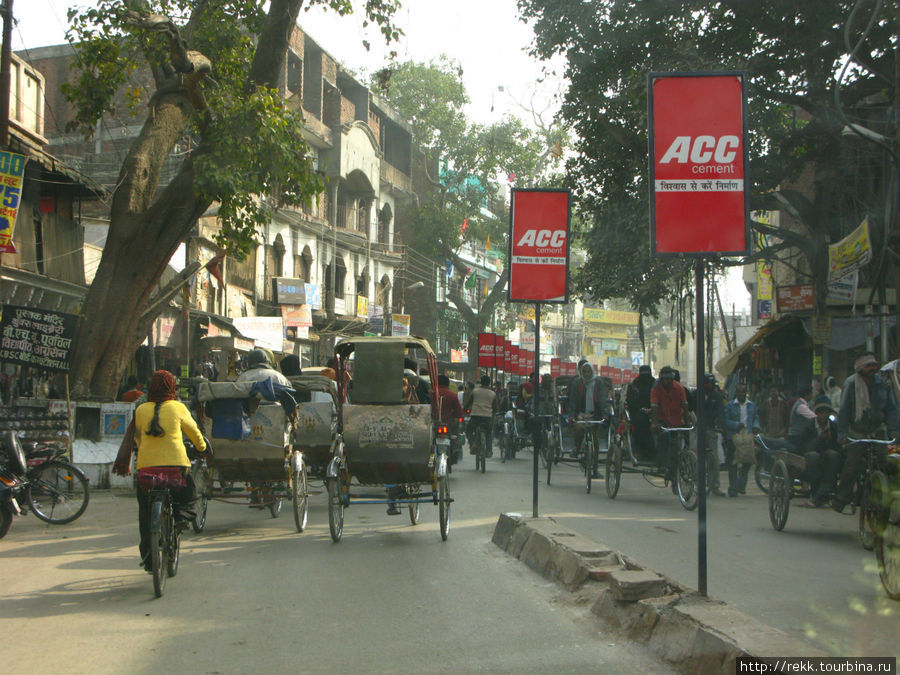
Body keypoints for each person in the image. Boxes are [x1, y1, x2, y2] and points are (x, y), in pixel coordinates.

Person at [125, 370, 208, 572]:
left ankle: (149, 557)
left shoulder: (141, 410)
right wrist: (202, 448)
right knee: (189, 493)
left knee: (145, 513)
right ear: (172, 388)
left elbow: (137, 439)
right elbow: (195, 434)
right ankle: (179, 519)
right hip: (176, 468)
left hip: (146, 469)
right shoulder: (178, 408)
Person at [832, 353, 899, 513]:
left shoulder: (883, 384)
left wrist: (894, 432)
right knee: (851, 466)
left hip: (877, 430)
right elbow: (844, 412)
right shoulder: (851, 384)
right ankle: (842, 499)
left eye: (874, 365)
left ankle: (886, 497)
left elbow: (891, 409)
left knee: (886, 463)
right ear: (860, 368)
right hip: (857, 432)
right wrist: (842, 434)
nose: (872, 368)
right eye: (868, 366)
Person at [800, 395, 842, 507]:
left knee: (834, 455)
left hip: (828, 454)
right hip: (812, 455)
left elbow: (837, 445)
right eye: (821, 412)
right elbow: (805, 446)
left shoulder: (833, 427)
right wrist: (819, 439)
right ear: (817, 413)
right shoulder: (809, 426)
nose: (824, 415)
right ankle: (816, 491)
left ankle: (825, 490)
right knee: (813, 457)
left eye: (826, 412)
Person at [567, 362, 609, 475]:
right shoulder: (577, 383)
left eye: (588, 371)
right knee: (579, 428)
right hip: (581, 414)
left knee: (595, 444)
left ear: (592, 371)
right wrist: (571, 415)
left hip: (594, 415)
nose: (586, 373)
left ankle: (595, 469)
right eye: (584, 371)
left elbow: (602, 399)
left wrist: (605, 414)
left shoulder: (598, 382)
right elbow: (573, 400)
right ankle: (576, 447)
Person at [650, 366, 687, 485]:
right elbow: (654, 407)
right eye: (666, 379)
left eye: (670, 379)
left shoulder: (679, 388)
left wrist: (687, 421)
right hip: (662, 420)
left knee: (680, 444)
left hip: (676, 420)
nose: (669, 382)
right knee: (663, 439)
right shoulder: (656, 389)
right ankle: (663, 464)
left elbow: (684, 405)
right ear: (661, 379)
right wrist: (655, 423)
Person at [722, 383, 760, 497]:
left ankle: (741, 484)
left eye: (743, 392)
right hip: (733, 437)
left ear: (746, 392)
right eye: (739, 391)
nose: (741, 394)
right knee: (732, 463)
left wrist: (756, 426)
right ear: (736, 392)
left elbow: (755, 418)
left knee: (748, 462)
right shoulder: (729, 406)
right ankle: (733, 487)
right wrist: (736, 425)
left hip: (747, 438)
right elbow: (725, 421)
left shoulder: (751, 405)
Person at [699, 374, 726, 496]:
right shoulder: (697, 395)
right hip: (698, 430)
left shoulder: (717, 396)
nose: (710, 385)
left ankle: (715, 486)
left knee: (714, 459)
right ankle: (696, 484)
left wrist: (718, 425)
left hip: (711, 430)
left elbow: (720, 412)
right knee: (697, 457)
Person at [625, 365, 655, 461]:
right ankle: (640, 450)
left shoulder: (655, 384)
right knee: (641, 424)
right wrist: (641, 409)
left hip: (655, 411)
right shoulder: (634, 385)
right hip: (638, 412)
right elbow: (631, 402)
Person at [468, 375, 497, 457]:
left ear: (481, 382)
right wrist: (493, 414)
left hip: (475, 416)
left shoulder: (475, 391)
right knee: (488, 433)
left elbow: (468, 403)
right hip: (487, 418)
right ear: (489, 383)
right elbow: (495, 408)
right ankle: (488, 451)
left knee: (468, 430)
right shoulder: (493, 394)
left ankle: (473, 443)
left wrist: (464, 411)